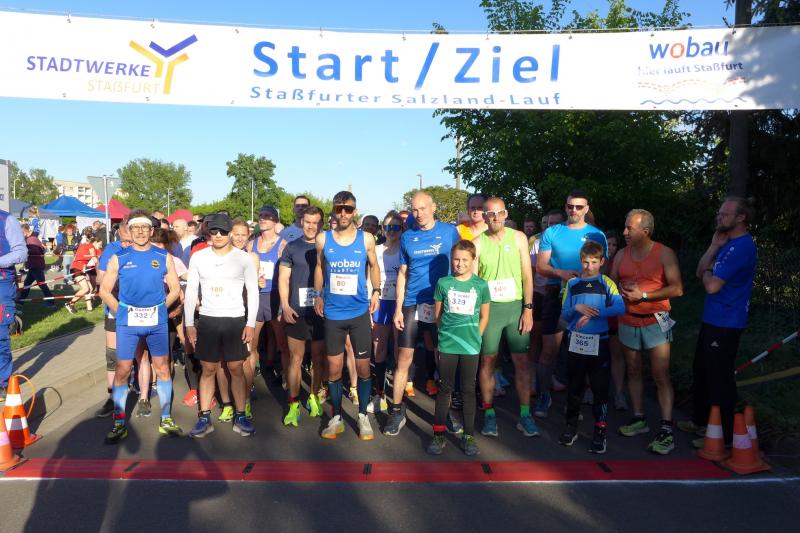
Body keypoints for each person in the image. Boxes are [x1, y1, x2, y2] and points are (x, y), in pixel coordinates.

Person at [98, 210, 182, 443]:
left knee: (162, 368)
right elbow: (104, 290)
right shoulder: (119, 257)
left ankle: (166, 418)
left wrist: (162, 308)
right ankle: (119, 422)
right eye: (136, 228)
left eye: (145, 228)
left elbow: (175, 288)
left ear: (151, 230)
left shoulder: (163, 256)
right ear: (129, 231)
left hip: (156, 322)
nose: (141, 232)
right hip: (128, 323)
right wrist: (121, 311)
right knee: (123, 370)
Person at [681, 197, 757, 447]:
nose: (719, 217)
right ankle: (701, 421)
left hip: (727, 321)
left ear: (741, 217)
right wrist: (714, 246)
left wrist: (708, 272)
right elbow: (699, 271)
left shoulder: (743, 246)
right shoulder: (726, 242)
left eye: (725, 214)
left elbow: (712, 285)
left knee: (719, 377)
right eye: (719, 213)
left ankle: (722, 435)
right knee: (701, 370)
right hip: (713, 318)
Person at [385, 191, 461, 436]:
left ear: (433, 207)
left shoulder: (450, 232)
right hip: (413, 303)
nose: (418, 214)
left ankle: (446, 412)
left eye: (423, 208)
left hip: (442, 304)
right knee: (403, 359)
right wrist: (398, 308)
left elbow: (462, 263)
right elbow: (402, 274)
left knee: (442, 360)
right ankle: (397, 411)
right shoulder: (408, 236)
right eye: (414, 210)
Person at [611, 210, 683, 454]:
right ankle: (639, 418)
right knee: (633, 370)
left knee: (660, 374)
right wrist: (618, 291)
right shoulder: (621, 254)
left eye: (629, 228)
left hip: (656, 320)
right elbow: (611, 283)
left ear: (646, 231)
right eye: (624, 227)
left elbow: (677, 289)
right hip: (627, 320)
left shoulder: (664, 253)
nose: (624, 232)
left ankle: (666, 428)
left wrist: (643, 295)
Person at [313, 191, 381, 440]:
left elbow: (374, 266)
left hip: (359, 312)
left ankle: (362, 416)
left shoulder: (366, 239)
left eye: (348, 209)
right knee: (334, 369)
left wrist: (376, 291)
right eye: (339, 208)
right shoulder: (323, 238)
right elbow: (320, 267)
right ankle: (337, 417)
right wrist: (317, 294)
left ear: (355, 211)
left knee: (363, 368)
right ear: (333, 210)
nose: (343, 213)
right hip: (333, 313)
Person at [184, 213, 259, 438]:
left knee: (236, 368)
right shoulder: (199, 257)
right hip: (208, 319)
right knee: (208, 369)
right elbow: (191, 291)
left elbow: (253, 292)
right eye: (214, 231)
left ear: (230, 234)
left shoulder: (243, 258)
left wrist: (250, 323)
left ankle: (240, 415)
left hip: (235, 319)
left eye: (223, 232)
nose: (218, 235)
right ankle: (204, 418)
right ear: (208, 232)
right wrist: (189, 323)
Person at [535, 190, 606, 418]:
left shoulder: (596, 235)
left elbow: (602, 268)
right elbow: (541, 266)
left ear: (586, 208)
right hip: (556, 294)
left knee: (579, 353)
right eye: (570, 206)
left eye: (578, 207)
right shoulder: (552, 232)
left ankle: (573, 403)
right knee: (549, 350)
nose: (573, 210)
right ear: (565, 207)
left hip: (585, 296)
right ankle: (543, 396)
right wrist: (561, 273)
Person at [473, 197, 537, 438]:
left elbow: (527, 275)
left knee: (521, 361)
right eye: (490, 214)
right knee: (488, 361)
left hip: (515, 308)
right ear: (484, 216)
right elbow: (474, 282)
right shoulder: (478, 243)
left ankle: (525, 415)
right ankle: (489, 413)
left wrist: (528, 309)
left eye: (499, 213)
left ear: (506, 214)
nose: (495, 218)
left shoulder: (518, 237)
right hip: (489, 310)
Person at [557, 241, 625, 453]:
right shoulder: (572, 283)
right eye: (586, 262)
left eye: (594, 262)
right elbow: (565, 314)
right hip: (576, 341)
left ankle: (600, 430)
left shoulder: (606, 282)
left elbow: (620, 307)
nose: (589, 267)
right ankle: (571, 426)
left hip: (599, 341)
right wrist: (577, 307)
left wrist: (594, 313)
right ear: (581, 261)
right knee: (575, 387)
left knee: (600, 388)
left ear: (602, 261)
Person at [427, 240, 491, 456]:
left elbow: (484, 316)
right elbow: (438, 315)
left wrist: (476, 337)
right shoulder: (443, 283)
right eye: (456, 259)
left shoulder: (481, 285)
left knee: (468, 390)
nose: (460, 264)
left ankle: (469, 436)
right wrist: (444, 338)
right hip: (448, 344)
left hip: (470, 346)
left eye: (465, 260)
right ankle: (438, 435)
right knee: (445, 388)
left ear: (473, 260)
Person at [279, 206, 327, 426]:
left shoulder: (328, 246)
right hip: (296, 311)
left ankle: (314, 396)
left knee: (318, 358)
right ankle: (293, 403)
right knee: (295, 359)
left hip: (320, 311)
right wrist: (285, 305)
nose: (311, 226)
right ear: (301, 222)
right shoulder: (292, 247)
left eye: (315, 222)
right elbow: (283, 278)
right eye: (307, 222)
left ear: (321, 224)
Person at [247, 205, 288, 402]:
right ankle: (248, 385)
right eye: (261, 215)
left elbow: (288, 275)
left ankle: (288, 381)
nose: (263, 219)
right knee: (251, 345)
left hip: (275, 297)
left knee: (283, 344)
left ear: (275, 221)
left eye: (268, 216)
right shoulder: (251, 244)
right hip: (256, 298)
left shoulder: (283, 244)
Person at [94, 221, 132, 418]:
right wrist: (113, 274)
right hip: (115, 308)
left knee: (139, 353)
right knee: (112, 354)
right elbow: (100, 280)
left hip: (139, 309)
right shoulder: (112, 249)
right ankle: (112, 396)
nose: (126, 244)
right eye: (123, 240)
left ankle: (142, 391)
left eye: (129, 241)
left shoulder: (144, 249)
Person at [368, 212, 403, 414]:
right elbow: (368, 278)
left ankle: (398, 396)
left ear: (401, 229)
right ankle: (379, 394)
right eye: (388, 227)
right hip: (380, 303)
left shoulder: (405, 250)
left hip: (399, 305)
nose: (391, 231)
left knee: (399, 351)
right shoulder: (376, 250)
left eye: (396, 227)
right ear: (382, 229)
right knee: (379, 349)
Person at [529, 209, 565, 395]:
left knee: (554, 342)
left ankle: (549, 376)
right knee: (536, 338)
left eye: (556, 223)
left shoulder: (567, 243)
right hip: (539, 293)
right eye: (549, 223)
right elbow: (532, 271)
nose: (552, 226)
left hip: (559, 294)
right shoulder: (537, 243)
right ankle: (533, 378)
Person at [0, 209, 27, 401]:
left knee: (0, 336)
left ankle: (2, 382)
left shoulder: (7, 219)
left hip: (1, 282)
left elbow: (21, 252)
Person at [65, 230, 102, 313]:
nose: (100, 246)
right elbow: (95, 260)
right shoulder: (90, 246)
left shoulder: (83, 245)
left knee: (90, 288)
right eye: (99, 244)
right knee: (85, 289)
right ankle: (70, 304)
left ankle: (89, 308)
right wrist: (100, 272)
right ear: (95, 241)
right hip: (77, 268)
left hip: (80, 268)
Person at [17, 224, 55, 307]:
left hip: (36, 265)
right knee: (27, 284)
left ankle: (51, 302)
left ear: (24, 231)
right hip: (33, 265)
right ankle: (21, 301)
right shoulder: (31, 238)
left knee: (42, 284)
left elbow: (36, 251)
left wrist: (24, 250)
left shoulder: (31, 239)